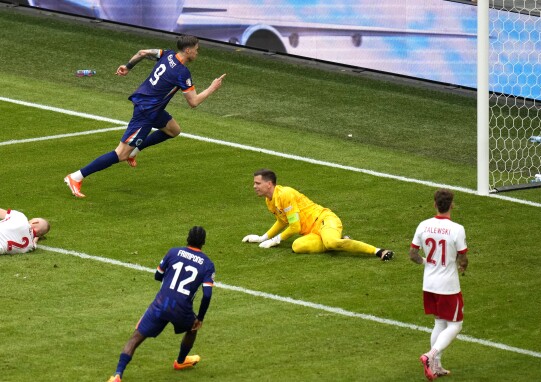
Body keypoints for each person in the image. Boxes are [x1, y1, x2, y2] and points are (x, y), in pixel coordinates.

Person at [65, 35, 226, 198]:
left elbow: (142, 53)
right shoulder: (182, 73)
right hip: (146, 112)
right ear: (188, 50)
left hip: (151, 107)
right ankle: (76, 176)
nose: (197, 53)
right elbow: (193, 102)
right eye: (197, 50)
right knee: (121, 154)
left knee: (173, 130)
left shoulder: (167, 54)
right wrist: (213, 88)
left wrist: (128, 66)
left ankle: (136, 150)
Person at [107, 226, 215, 382]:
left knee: (135, 338)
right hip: (182, 309)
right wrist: (200, 318)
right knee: (192, 328)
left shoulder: (173, 252)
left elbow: (158, 275)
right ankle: (180, 361)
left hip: (160, 304)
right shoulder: (207, 264)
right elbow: (207, 294)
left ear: (187, 239)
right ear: (203, 242)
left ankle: (117, 374)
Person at [242, 169, 394, 260]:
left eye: (257, 183)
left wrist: (275, 241)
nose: (254, 186)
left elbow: (294, 227)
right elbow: (283, 221)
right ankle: (337, 240)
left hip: (324, 220)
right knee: (297, 246)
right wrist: (263, 237)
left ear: (269, 184)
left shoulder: (285, 194)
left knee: (331, 243)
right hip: (312, 232)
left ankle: (378, 251)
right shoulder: (270, 200)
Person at [408, 189, 468, 381]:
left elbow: (413, 255)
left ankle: (436, 366)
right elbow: (462, 257)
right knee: (456, 325)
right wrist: (463, 266)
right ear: (452, 205)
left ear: (435, 204)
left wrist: (427, 262)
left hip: (429, 283)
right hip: (448, 285)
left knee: (439, 323)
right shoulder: (457, 229)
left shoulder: (423, 225)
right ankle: (430, 355)